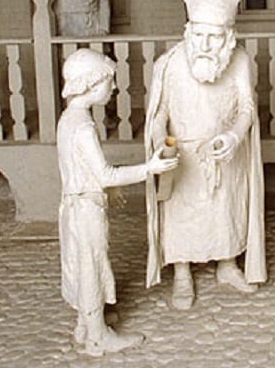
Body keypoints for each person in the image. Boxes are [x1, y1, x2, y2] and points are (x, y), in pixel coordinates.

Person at [144, 0, 266, 310]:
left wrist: (233, 136)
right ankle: (182, 273)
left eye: (213, 37)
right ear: (188, 32)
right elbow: (158, 116)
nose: (204, 44)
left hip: (226, 153)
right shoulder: (168, 64)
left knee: (226, 210)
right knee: (183, 214)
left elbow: (247, 109)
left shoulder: (240, 61)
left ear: (228, 36)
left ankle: (227, 264)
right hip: (183, 155)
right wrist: (161, 145)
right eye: (198, 35)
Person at [57, 48, 178, 356]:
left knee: (84, 263)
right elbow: (105, 174)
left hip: (75, 204)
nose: (113, 88)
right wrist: (149, 169)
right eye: (108, 82)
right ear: (91, 84)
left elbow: (83, 172)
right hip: (86, 209)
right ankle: (97, 336)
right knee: (92, 267)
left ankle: (85, 326)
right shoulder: (84, 127)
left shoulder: (69, 118)